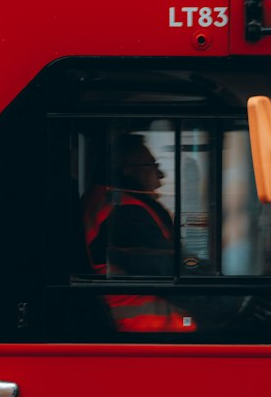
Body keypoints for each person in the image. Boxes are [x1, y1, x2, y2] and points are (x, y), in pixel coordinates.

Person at [82, 134, 194, 334]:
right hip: (141, 322)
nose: (161, 175)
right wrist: (230, 303)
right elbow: (166, 270)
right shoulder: (126, 213)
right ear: (130, 172)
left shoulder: (109, 200)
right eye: (152, 166)